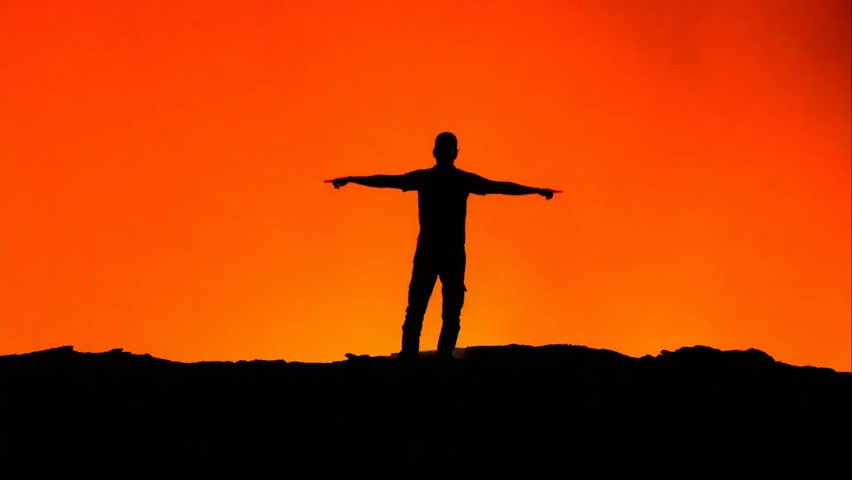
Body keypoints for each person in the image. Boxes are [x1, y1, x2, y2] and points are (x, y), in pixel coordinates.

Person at [325, 132, 560, 361]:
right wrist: (536, 191)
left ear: (435, 152)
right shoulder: (460, 180)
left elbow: (388, 180)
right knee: (445, 308)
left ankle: (414, 356)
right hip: (450, 253)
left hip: (434, 252)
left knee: (421, 307)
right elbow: (500, 187)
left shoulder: (428, 178)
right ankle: (440, 356)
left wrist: (352, 179)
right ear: (454, 153)